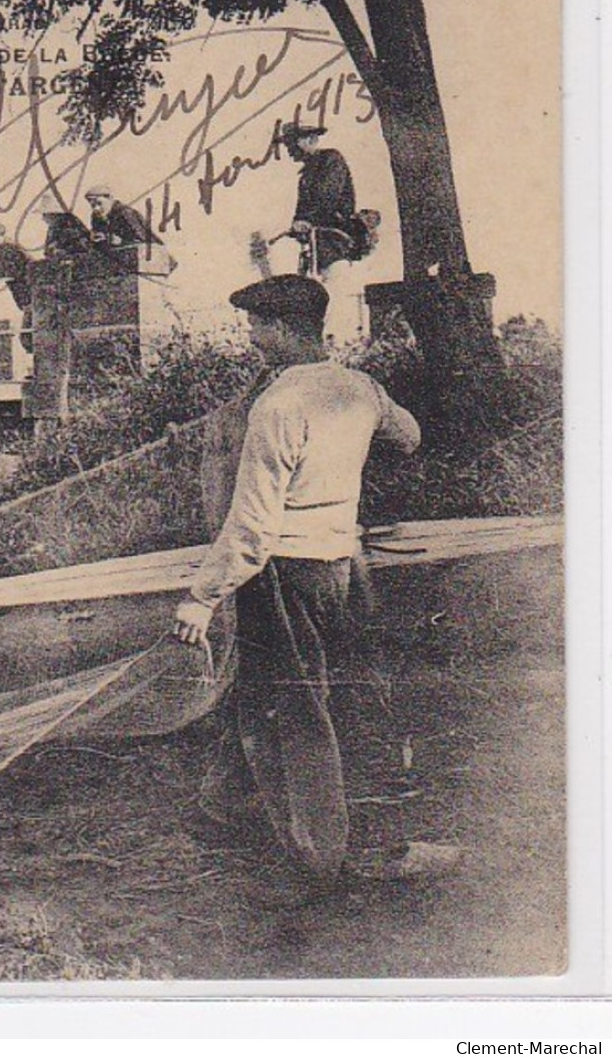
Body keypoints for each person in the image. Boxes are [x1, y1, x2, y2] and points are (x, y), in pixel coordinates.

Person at [172, 274, 420, 897]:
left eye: (257, 327)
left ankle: (316, 861)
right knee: (274, 692)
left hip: (281, 572)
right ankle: (223, 805)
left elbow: (252, 524)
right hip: (338, 563)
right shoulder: (358, 387)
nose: (252, 339)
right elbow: (409, 437)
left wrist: (203, 597)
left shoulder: (277, 405)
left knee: (296, 712)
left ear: (282, 331)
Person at [280, 123, 357, 278]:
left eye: (292, 143)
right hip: (318, 240)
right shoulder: (306, 174)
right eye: (287, 145)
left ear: (311, 140)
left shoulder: (331, 159)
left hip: (337, 239)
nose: (289, 150)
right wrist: (298, 222)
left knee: (333, 281)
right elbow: (301, 208)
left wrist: (307, 220)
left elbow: (328, 196)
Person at [0, 222, 35, 354]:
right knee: (29, 335)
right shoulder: (11, 248)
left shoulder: (8, 250)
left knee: (28, 337)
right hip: (28, 297)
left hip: (29, 297)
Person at [85, 185, 161, 248]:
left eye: (99, 203)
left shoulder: (125, 213)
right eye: (93, 205)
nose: (96, 208)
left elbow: (145, 241)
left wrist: (122, 242)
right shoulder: (97, 217)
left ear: (110, 199)